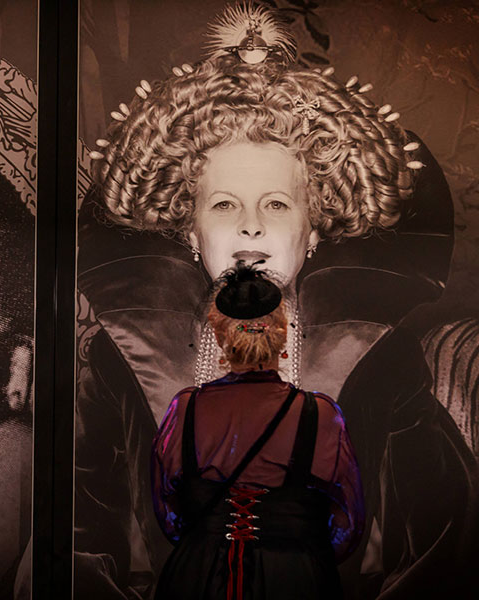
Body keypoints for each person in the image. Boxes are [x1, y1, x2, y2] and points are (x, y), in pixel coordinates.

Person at [76, 3, 477, 599]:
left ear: (314, 232)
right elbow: (83, 531)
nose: (251, 229)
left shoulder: (378, 356)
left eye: (277, 204)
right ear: (190, 232)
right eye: (223, 205)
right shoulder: (124, 354)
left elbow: (447, 533)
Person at [152, 262, 364, 599]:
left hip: (197, 577)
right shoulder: (319, 414)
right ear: (283, 332)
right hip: (295, 579)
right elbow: (347, 523)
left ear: (220, 335)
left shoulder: (186, 409)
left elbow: (169, 513)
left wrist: (210, 543)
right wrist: (301, 555)